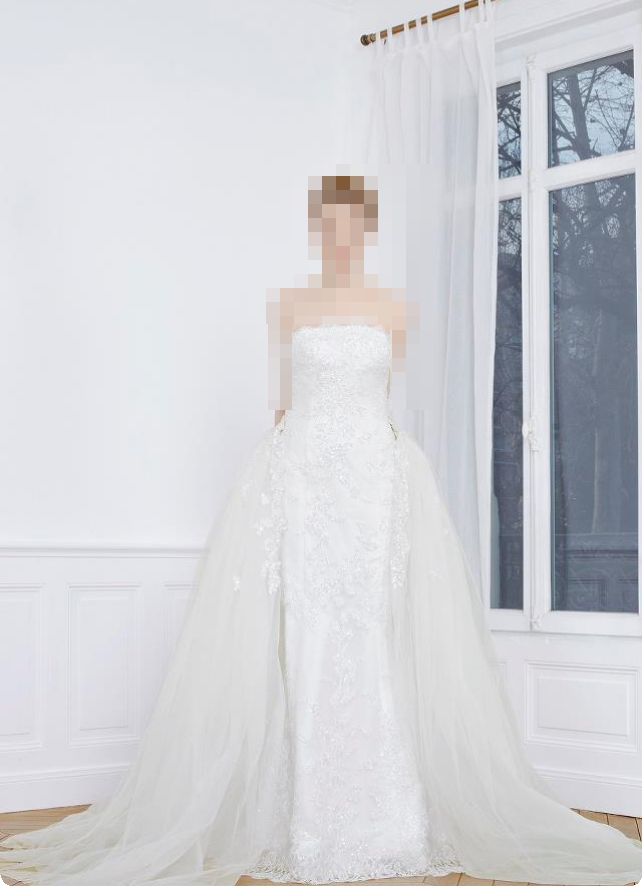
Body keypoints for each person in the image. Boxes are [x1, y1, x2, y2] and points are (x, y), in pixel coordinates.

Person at [1, 175, 641, 886]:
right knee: (307, 633)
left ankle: (387, 818)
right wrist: (280, 487)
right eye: (328, 221)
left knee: (371, 633)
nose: (340, 233)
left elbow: (385, 402)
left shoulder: (393, 308)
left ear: (365, 227)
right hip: (305, 483)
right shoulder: (291, 305)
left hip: (371, 485)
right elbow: (282, 407)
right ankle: (308, 821)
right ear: (319, 227)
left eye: (350, 221)